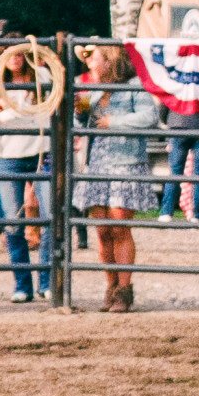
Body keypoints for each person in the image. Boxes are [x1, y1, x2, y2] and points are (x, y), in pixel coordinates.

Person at [73, 45, 158, 312]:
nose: (89, 65)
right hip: (98, 164)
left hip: (126, 163)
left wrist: (115, 122)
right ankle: (110, 286)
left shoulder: (135, 86)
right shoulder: (93, 90)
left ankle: (124, 289)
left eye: (93, 59)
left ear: (109, 61)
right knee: (103, 230)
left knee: (120, 226)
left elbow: (149, 117)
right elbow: (83, 123)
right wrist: (79, 111)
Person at [0, 57, 51, 304]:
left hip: (41, 150)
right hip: (7, 154)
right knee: (13, 221)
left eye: (20, 53)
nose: (16, 58)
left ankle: (48, 281)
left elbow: (57, 101)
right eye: (10, 53)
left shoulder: (42, 77)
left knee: (50, 217)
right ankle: (22, 284)